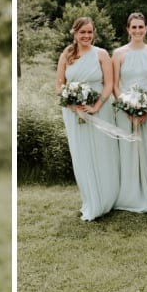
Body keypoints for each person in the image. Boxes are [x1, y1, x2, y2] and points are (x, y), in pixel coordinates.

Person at [55, 17, 120, 221]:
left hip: (99, 109)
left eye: (90, 32)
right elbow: (59, 84)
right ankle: (91, 200)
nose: (86, 36)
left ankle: (107, 199)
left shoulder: (101, 54)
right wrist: (71, 104)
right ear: (74, 33)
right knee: (81, 154)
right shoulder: (67, 54)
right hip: (73, 112)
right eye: (82, 32)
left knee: (103, 152)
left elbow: (109, 84)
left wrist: (96, 106)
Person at [111, 13, 147, 212]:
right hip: (125, 110)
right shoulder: (118, 53)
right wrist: (126, 106)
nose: (137, 31)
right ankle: (130, 194)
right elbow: (115, 85)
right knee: (128, 151)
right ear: (128, 29)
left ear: (146, 28)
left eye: (141, 27)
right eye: (134, 27)